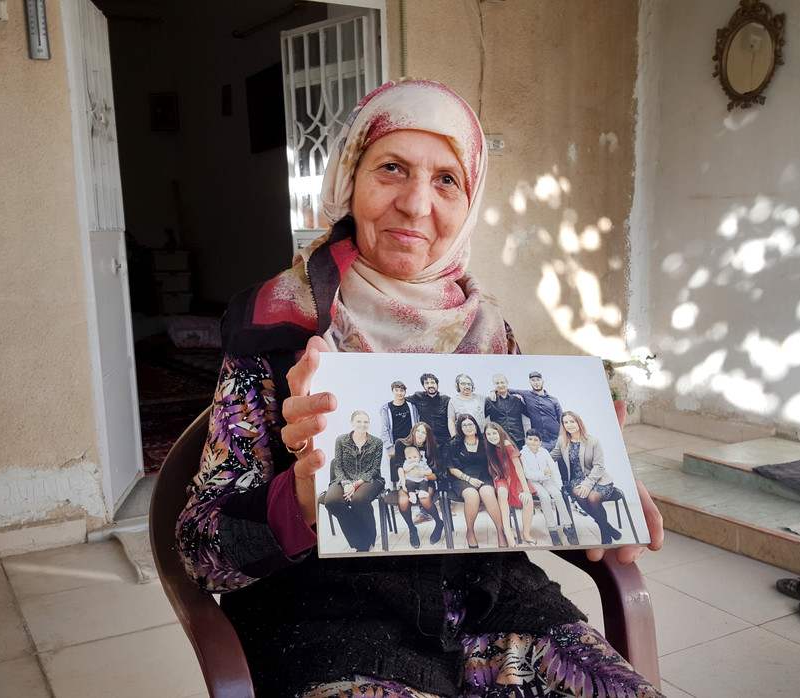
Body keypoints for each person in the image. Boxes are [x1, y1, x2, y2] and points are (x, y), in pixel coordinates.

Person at [176, 78, 663, 697]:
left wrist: (597, 486)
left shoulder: (488, 335)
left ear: (470, 200)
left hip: (494, 609)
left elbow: (519, 467)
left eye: (445, 180)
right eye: (392, 168)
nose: (415, 204)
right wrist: (299, 500)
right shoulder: (275, 330)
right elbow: (200, 548)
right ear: (350, 180)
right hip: (331, 623)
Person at [553, 410, 621, 545]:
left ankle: (604, 532)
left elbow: (599, 466)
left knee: (593, 498)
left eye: (572, 421)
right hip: (576, 481)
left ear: (579, 422)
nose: (569, 425)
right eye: (565, 422)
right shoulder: (562, 440)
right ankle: (608, 529)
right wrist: (535, 457)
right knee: (581, 494)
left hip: (598, 479)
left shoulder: (593, 441)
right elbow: (553, 456)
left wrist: (587, 484)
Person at [323, 410, 386, 552]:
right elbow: (338, 466)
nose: (363, 424)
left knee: (358, 500)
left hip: (370, 479)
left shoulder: (376, 442)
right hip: (343, 479)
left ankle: (368, 539)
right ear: (352, 422)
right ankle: (360, 536)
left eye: (366, 422)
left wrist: (356, 484)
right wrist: (346, 484)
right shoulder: (341, 440)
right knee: (331, 501)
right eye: (359, 421)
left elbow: (375, 469)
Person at [445, 413, 510, 549]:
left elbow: (500, 453)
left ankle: (500, 531)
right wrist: (468, 479)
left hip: (484, 475)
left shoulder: (485, 440)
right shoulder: (454, 444)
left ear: (475, 425)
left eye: (471, 424)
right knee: (472, 495)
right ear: (459, 427)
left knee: (487, 493)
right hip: (462, 477)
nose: (468, 427)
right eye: (464, 425)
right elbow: (452, 468)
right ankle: (470, 531)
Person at [390, 422, 444, 547]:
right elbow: (399, 467)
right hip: (407, 481)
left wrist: (423, 474)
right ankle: (412, 529)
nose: (420, 434)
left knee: (424, 499)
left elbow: (435, 474)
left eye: (424, 432)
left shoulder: (431, 447)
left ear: (427, 436)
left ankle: (439, 522)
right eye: (418, 431)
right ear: (413, 431)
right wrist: (404, 486)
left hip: (425, 481)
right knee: (403, 501)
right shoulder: (401, 444)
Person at [484, 421, 537, 546]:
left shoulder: (507, 444)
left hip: (514, 476)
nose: (492, 436)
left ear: (500, 432)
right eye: (488, 434)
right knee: (502, 492)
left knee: (528, 501)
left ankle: (526, 534)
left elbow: (518, 468)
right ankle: (507, 532)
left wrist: (526, 491)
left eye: (494, 433)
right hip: (501, 477)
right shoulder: (489, 447)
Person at [521, 428, 574, 546]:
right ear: (526, 440)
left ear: (540, 442)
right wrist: (543, 473)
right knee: (544, 496)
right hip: (533, 482)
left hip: (548, 480)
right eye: (530, 439)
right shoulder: (523, 454)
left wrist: (558, 484)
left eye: (536, 440)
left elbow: (553, 469)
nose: (533, 442)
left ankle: (568, 526)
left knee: (557, 494)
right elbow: (528, 474)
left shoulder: (544, 452)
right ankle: (552, 529)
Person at [512, 370, 564, 452]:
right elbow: (506, 390)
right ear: (530, 382)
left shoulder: (553, 400)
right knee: (543, 464)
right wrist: (493, 392)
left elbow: (561, 418)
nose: (536, 382)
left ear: (542, 381)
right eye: (533, 380)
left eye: (538, 380)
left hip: (557, 438)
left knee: (562, 463)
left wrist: (562, 436)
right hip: (540, 441)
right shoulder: (526, 394)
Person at [379, 380, 419, 468]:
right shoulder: (387, 409)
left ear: (405, 392)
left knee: (413, 470)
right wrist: (389, 448)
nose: (399, 393)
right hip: (395, 446)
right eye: (396, 390)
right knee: (395, 472)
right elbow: (384, 429)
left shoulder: (411, 406)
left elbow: (417, 423)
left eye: (402, 390)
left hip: (411, 444)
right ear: (392, 391)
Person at [484, 373, 528, 444]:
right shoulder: (490, 401)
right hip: (500, 438)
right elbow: (482, 416)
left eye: (502, 382)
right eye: (497, 383)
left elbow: (529, 413)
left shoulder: (516, 399)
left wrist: (524, 401)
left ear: (507, 383)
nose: (500, 385)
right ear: (494, 385)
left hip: (518, 438)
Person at [406, 372, 450, 442]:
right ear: (423, 386)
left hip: (444, 439)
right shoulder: (418, 396)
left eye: (432, 382)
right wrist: (385, 407)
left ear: (437, 384)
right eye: (426, 383)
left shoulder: (446, 399)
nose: (430, 385)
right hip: (426, 439)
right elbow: (401, 400)